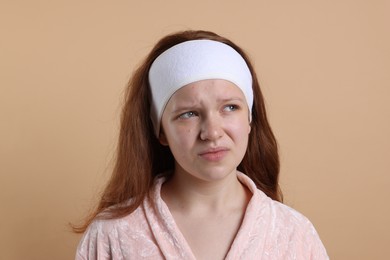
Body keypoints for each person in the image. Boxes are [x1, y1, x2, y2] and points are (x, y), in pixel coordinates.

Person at [74, 30, 328, 259]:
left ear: (250, 118)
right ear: (160, 131)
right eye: (189, 114)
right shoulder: (112, 235)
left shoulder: (294, 233)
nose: (213, 132)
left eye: (230, 107)